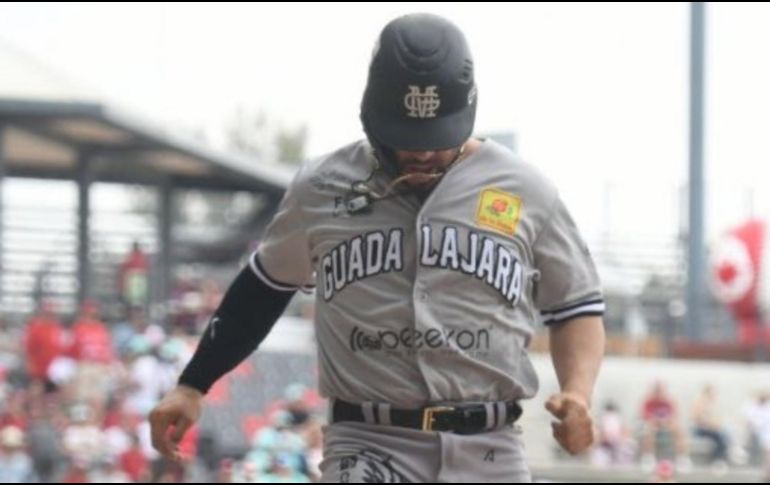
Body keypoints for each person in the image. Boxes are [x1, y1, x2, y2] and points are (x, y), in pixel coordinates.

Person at [150, 12, 605, 482]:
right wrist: (193, 384)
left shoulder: (524, 189)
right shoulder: (323, 185)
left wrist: (578, 392)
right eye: (408, 138)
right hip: (369, 441)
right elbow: (263, 289)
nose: (423, 153)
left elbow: (576, 305)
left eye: (436, 138)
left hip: (490, 448)